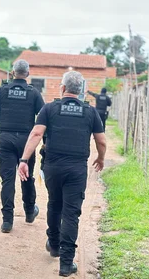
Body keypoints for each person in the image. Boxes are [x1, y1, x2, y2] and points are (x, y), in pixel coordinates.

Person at [18, 71, 107, 277]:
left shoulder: (49, 108)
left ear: (63, 88)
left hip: (53, 166)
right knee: (71, 212)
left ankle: (55, 244)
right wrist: (101, 158)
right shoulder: (90, 112)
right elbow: (101, 141)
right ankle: (66, 263)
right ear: (83, 91)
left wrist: (24, 160)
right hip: (76, 169)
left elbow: (37, 134)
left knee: (54, 204)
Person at [0, 59, 45, 233]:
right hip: (27, 141)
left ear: (12, 73)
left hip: (5, 139)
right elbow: (42, 116)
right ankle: (29, 212)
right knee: (27, 176)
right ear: (27, 74)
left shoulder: (2, 90)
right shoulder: (33, 93)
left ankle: (7, 221)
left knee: (7, 180)